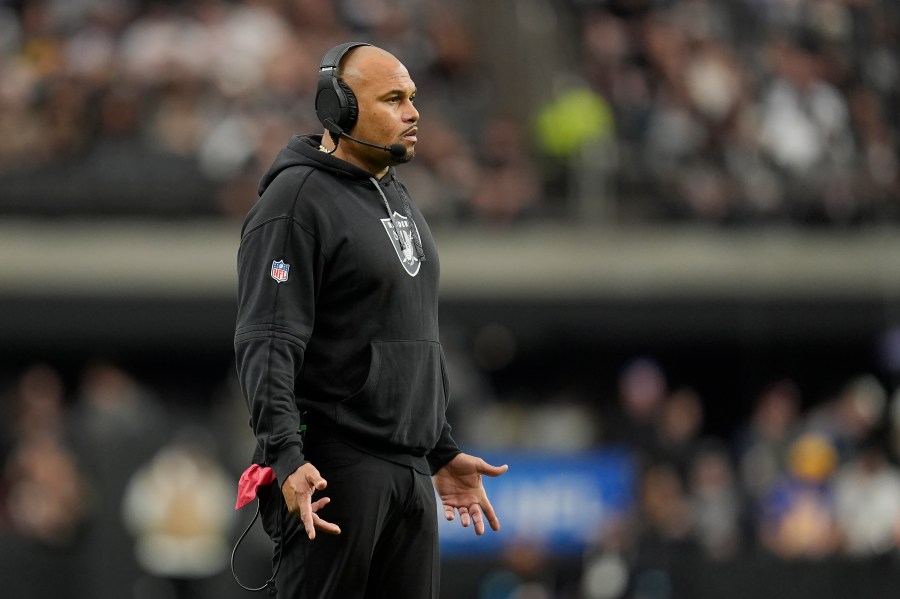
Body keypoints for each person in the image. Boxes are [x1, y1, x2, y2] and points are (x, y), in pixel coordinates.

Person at [233, 42, 508, 599]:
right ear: (339, 109)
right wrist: (287, 456)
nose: (414, 113)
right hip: (335, 469)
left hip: (408, 472)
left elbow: (410, 336)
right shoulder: (296, 200)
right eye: (393, 99)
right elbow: (267, 339)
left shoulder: (397, 196)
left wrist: (439, 448)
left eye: (412, 98)